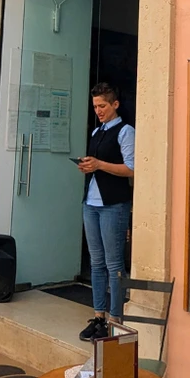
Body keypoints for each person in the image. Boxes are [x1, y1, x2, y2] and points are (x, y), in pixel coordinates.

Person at [77, 82, 135, 341]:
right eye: (95, 107)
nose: (98, 111)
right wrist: (89, 166)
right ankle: (99, 316)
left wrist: (99, 164)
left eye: (102, 106)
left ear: (115, 105)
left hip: (113, 204)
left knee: (114, 264)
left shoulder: (125, 131)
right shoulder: (96, 132)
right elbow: (98, 166)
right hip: (91, 202)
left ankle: (115, 319)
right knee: (96, 262)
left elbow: (131, 169)